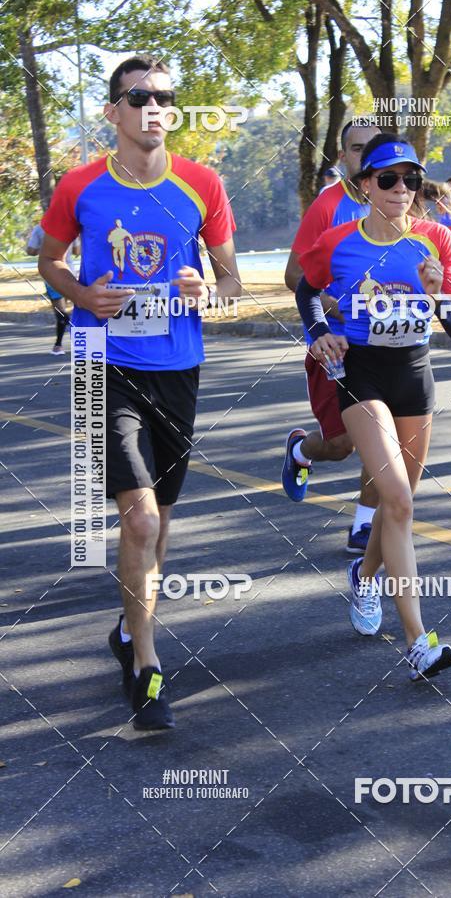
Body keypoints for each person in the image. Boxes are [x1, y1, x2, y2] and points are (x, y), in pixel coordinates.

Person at [38, 54, 240, 729]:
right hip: (103, 361)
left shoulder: (202, 184)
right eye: (139, 97)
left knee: (165, 517)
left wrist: (208, 291)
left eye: (164, 97)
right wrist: (81, 293)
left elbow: (233, 283)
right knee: (140, 518)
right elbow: (50, 260)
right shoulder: (81, 188)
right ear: (113, 113)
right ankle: (147, 667)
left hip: (177, 365)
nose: (154, 107)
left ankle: (127, 628)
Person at [295, 133, 451, 681]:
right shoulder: (340, 241)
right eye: (388, 179)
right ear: (365, 184)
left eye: (411, 179)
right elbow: (305, 289)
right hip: (361, 372)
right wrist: (319, 332)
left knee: (398, 502)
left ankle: (365, 581)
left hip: (414, 375)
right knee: (394, 495)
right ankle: (419, 641)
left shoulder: (437, 238)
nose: (401, 189)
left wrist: (439, 294)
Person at [282, 120, 380, 554]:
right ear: (343, 158)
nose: (366, 156)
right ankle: (303, 450)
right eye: (357, 149)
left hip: (382, 345)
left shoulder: (396, 202)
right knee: (341, 446)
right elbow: (294, 276)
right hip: (334, 344)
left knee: (383, 437)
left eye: (373, 148)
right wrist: (340, 306)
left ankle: (364, 524)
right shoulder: (328, 206)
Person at [26, 223, 79, 355]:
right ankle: (80, 344)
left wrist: (45, 250)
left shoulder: (40, 228)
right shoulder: (74, 225)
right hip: (71, 273)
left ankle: (59, 346)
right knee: (80, 308)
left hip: (53, 275)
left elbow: (31, 251)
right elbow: (77, 252)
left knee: (61, 313)